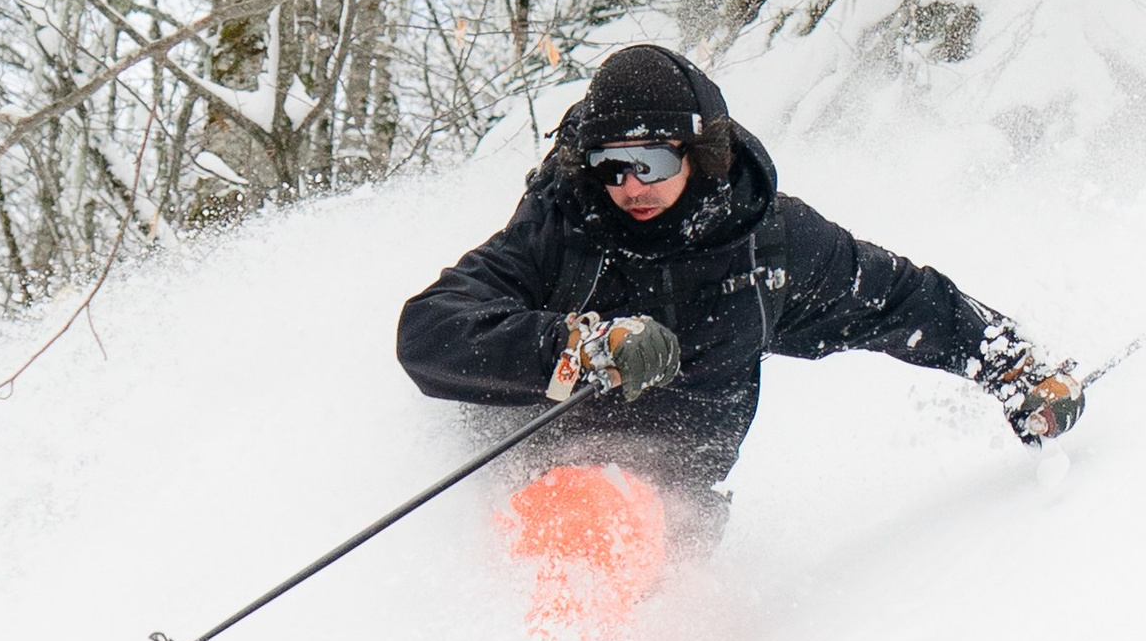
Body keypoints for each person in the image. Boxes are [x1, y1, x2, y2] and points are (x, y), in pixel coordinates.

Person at [396, 44, 1088, 536]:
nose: (631, 185)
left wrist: (1015, 369)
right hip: (529, 488)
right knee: (586, 514)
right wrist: (579, 347)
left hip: (678, 512)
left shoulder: (768, 247)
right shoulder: (563, 233)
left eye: (653, 159)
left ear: (701, 152)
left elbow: (902, 300)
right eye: (612, 165)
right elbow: (430, 333)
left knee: (654, 574)